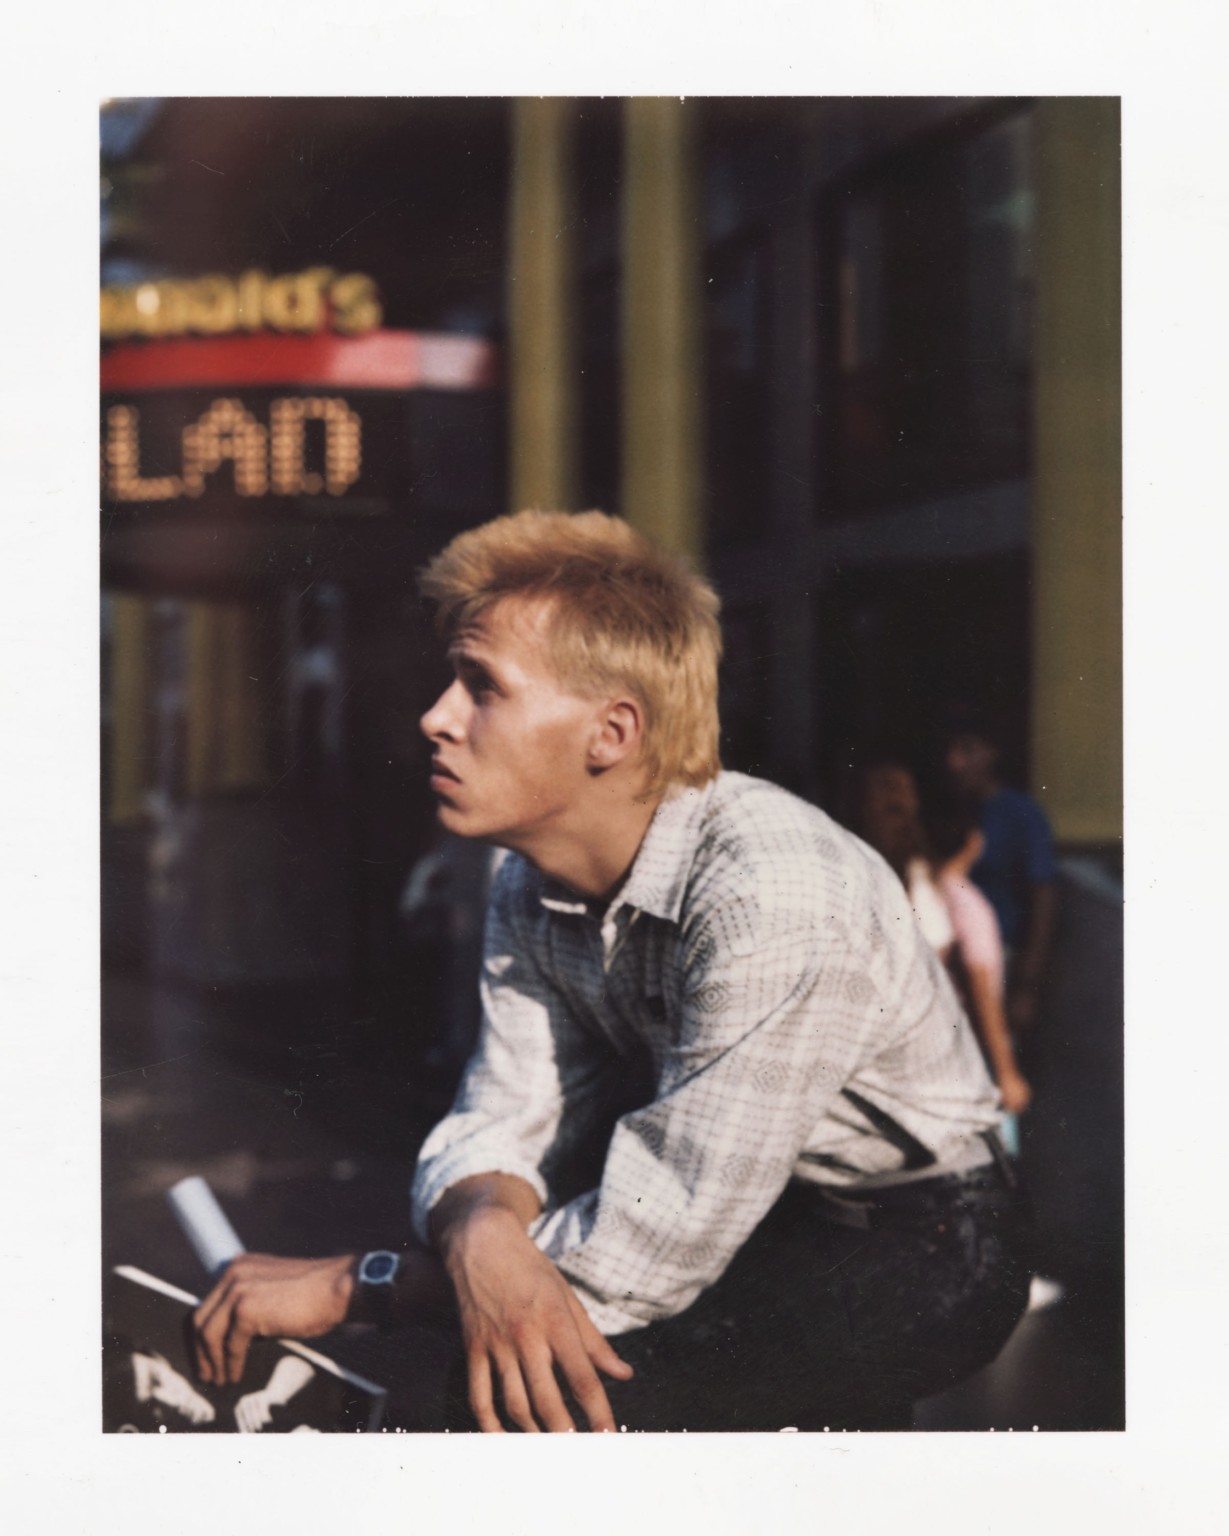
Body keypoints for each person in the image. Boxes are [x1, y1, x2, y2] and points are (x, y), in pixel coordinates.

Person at [191, 510, 1031, 1432]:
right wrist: (479, 1230)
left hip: (922, 1239)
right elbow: (507, 1118)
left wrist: (361, 1286)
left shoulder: (773, 892)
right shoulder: (528, 876)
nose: (435, 717)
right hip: (753, 1218)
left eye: (481, 685)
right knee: (520, 1382)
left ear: (611, 732)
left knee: (528, 1402)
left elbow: (653, 1249)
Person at [944, 720, 1058, 1034]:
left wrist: (1027, 985)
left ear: (993, 753)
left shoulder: (1020, 813)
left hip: (999, 960)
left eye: (968, 749)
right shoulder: (952, 813)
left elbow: (1043, 896)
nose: (955, 762)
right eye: (951, 750)